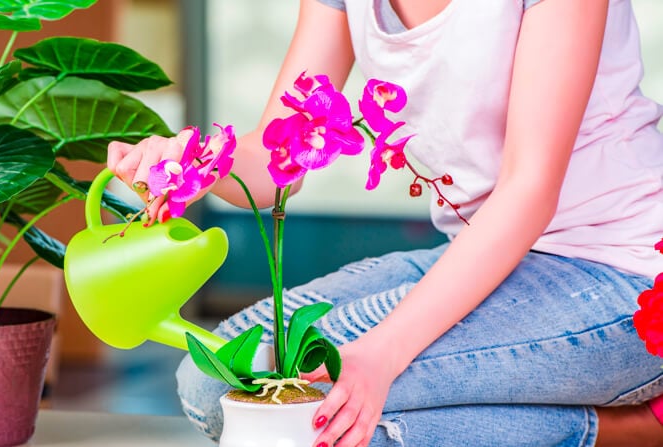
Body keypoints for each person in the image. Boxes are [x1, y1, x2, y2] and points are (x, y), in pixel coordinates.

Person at [107, 0, 663, 445]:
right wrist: (196, 161)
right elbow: (279, 162)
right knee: (217, 380)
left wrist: (381, 353)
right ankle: (608, 429)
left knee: (317, 417)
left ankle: (631, 424)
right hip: (483, 260)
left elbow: (528, 190)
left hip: (623, 273)